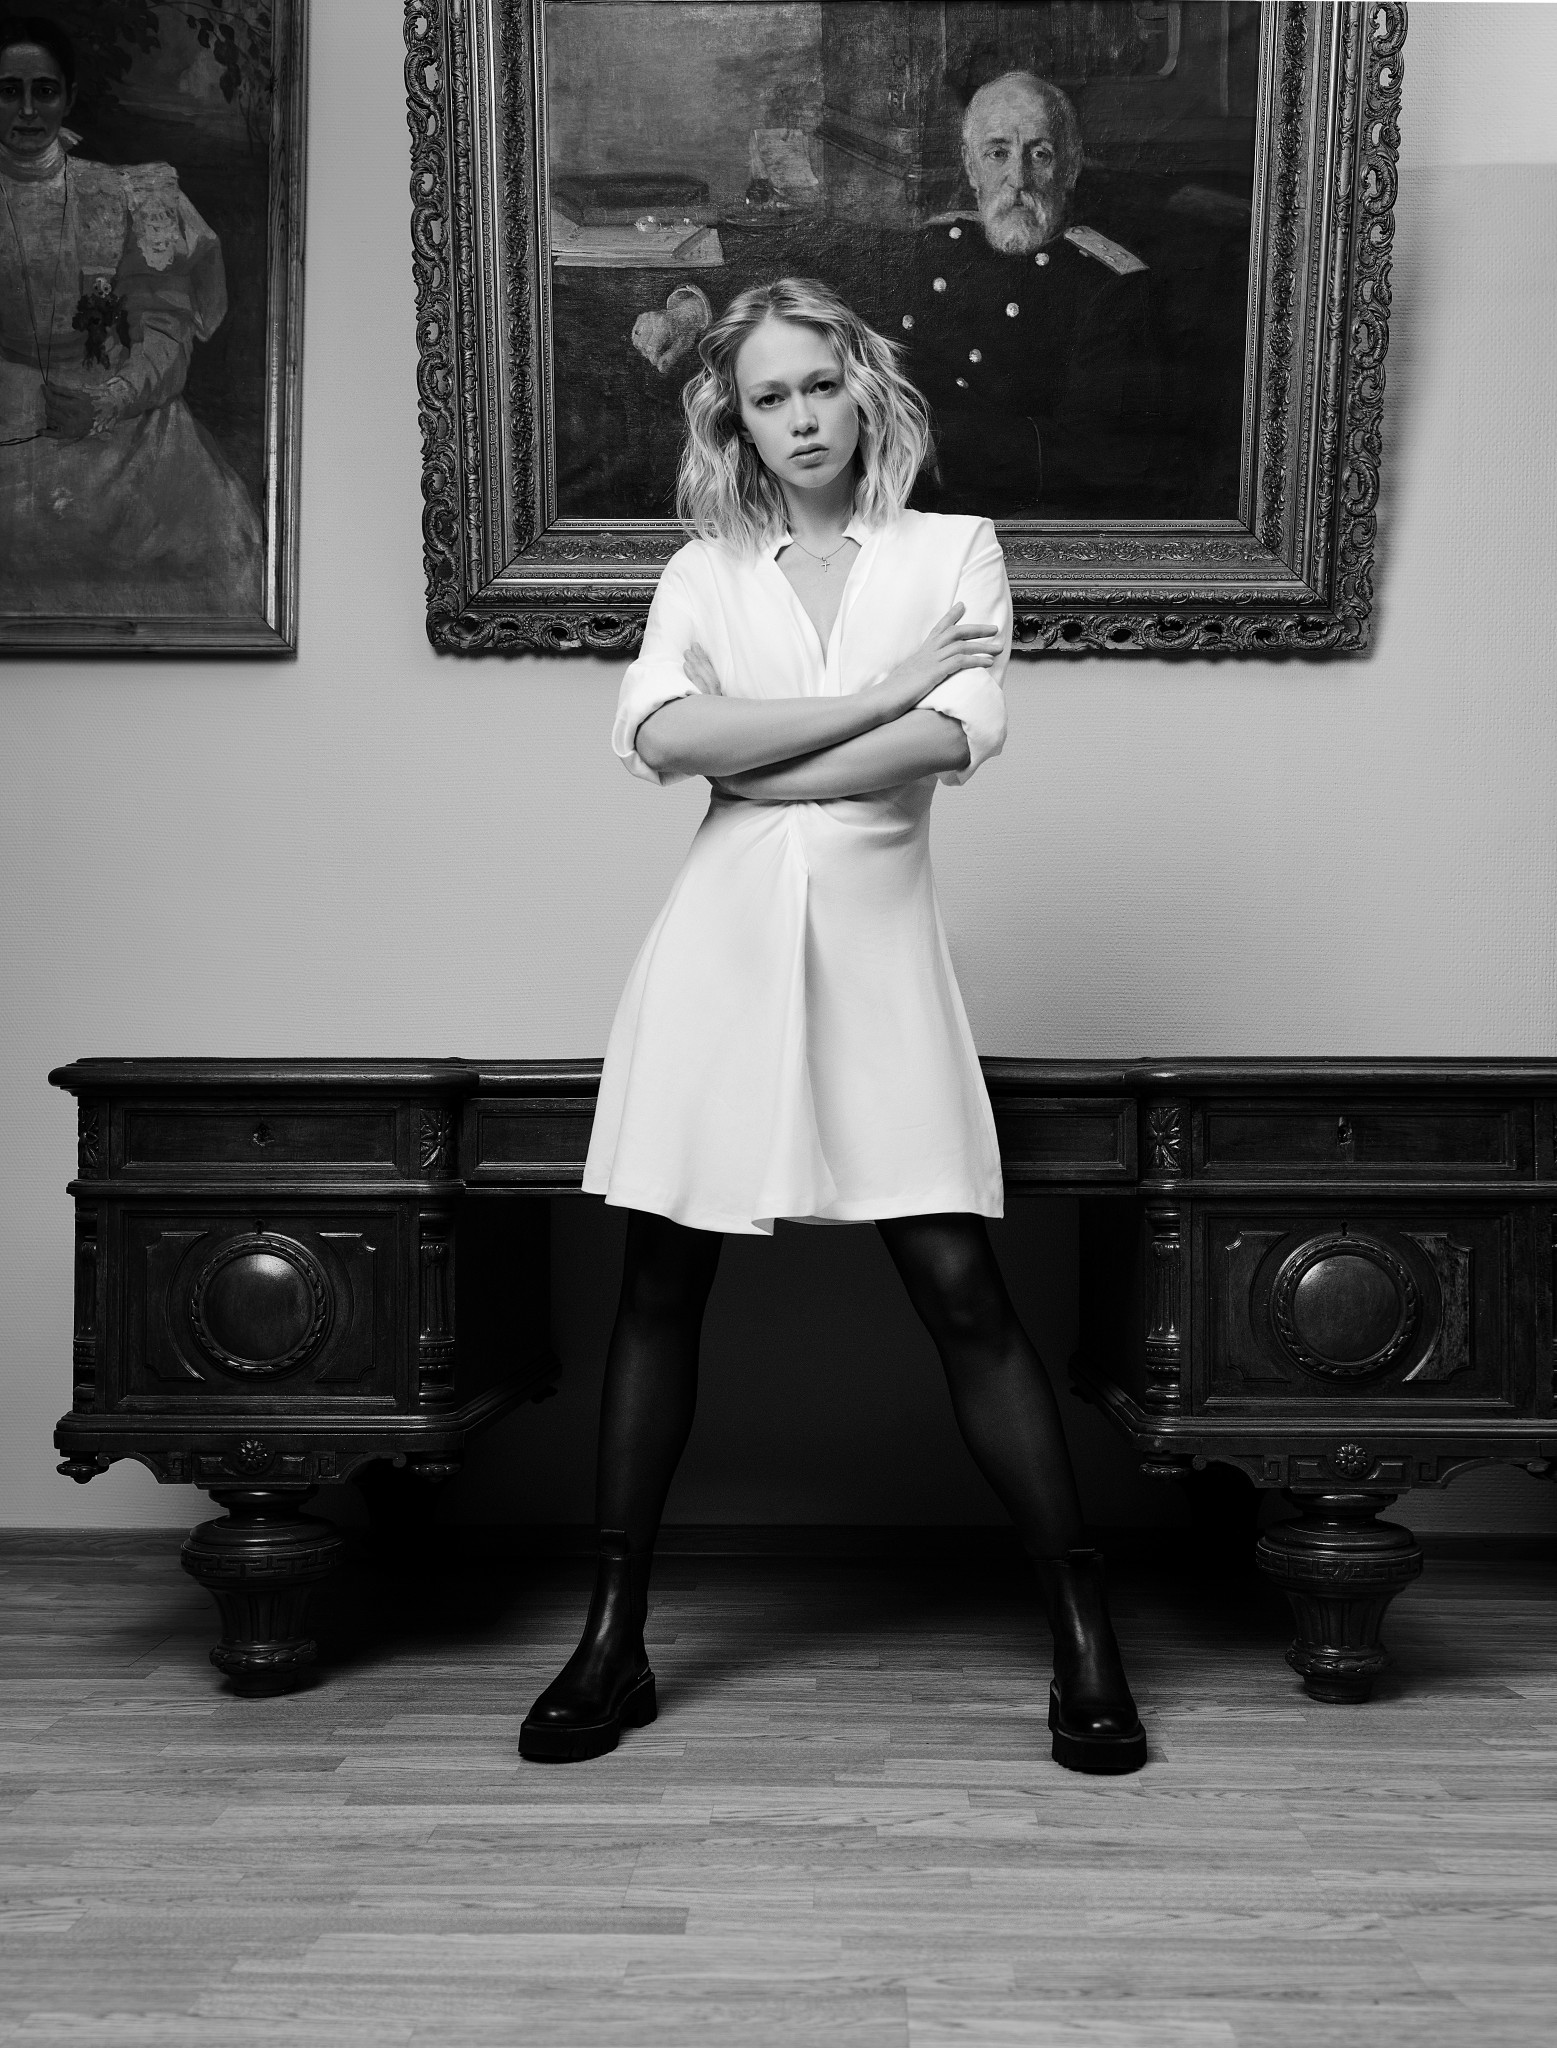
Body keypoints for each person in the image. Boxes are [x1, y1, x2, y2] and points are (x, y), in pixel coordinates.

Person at [519, 276, 1146, 1777]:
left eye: (818, 386)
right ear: (733, 422)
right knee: (658, 1292)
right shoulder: (703, 570)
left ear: (863, 388)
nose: (799, 418)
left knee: (965, 1295)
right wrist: (878, 694)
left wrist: (763, 762)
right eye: (767, 398)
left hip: (879, 970)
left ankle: (1085, 1636)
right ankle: (611, 1640)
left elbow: (950, 737)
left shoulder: (954, 551)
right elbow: (659, 735)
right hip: (715, 962)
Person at [0, 16, 262, 615]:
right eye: (9, 91)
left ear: (68, 97)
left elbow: (164, 331)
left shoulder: (125, 196)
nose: (28, 110)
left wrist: (108, 400)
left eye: (44, 90)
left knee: (211, 545)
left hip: (116, 415)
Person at [898, 71, 1167, 517]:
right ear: (971, 166)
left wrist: (946, 450)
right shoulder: (938, 246)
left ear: (1070, 167)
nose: (1017, 179)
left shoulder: (1111, 287)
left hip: (1025, 515)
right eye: (997, 153)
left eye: (1040, 154)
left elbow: (1098, 458)